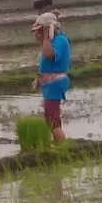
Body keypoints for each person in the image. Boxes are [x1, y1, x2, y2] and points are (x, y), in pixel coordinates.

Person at [30, 12, 70, 143]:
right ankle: (59, 143)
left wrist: (46, 36)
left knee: (52, 120)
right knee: (51, 118)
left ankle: (63, 147)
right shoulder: (53, 41)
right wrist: (39, 80)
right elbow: (47, 65)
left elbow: (49, 56)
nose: (36, 34)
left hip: (55, 84)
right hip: (50, 83)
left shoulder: (60, 41)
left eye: (39, 30)